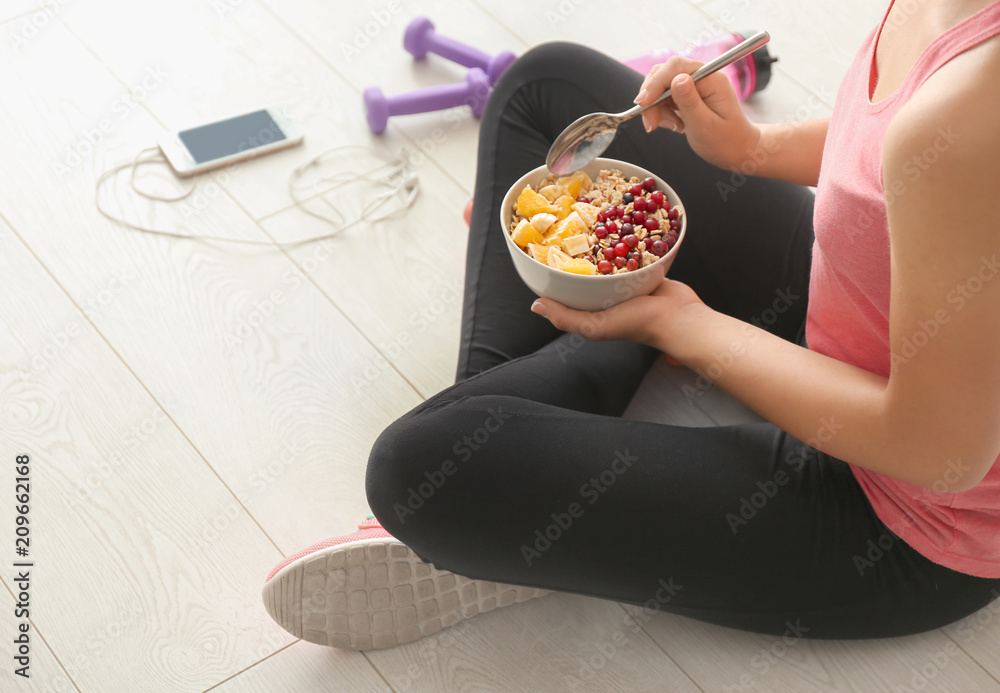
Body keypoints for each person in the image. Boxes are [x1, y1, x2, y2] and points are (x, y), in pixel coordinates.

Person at [262, 0, 1000, 651]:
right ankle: (518, 494)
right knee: (546, 84)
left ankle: (513, 503)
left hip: (902, 514)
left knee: (414, 469)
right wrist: (753, 149)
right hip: (860, 303)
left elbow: (939, 451)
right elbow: (890, 147)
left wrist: (687, 330)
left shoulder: (974, 115)